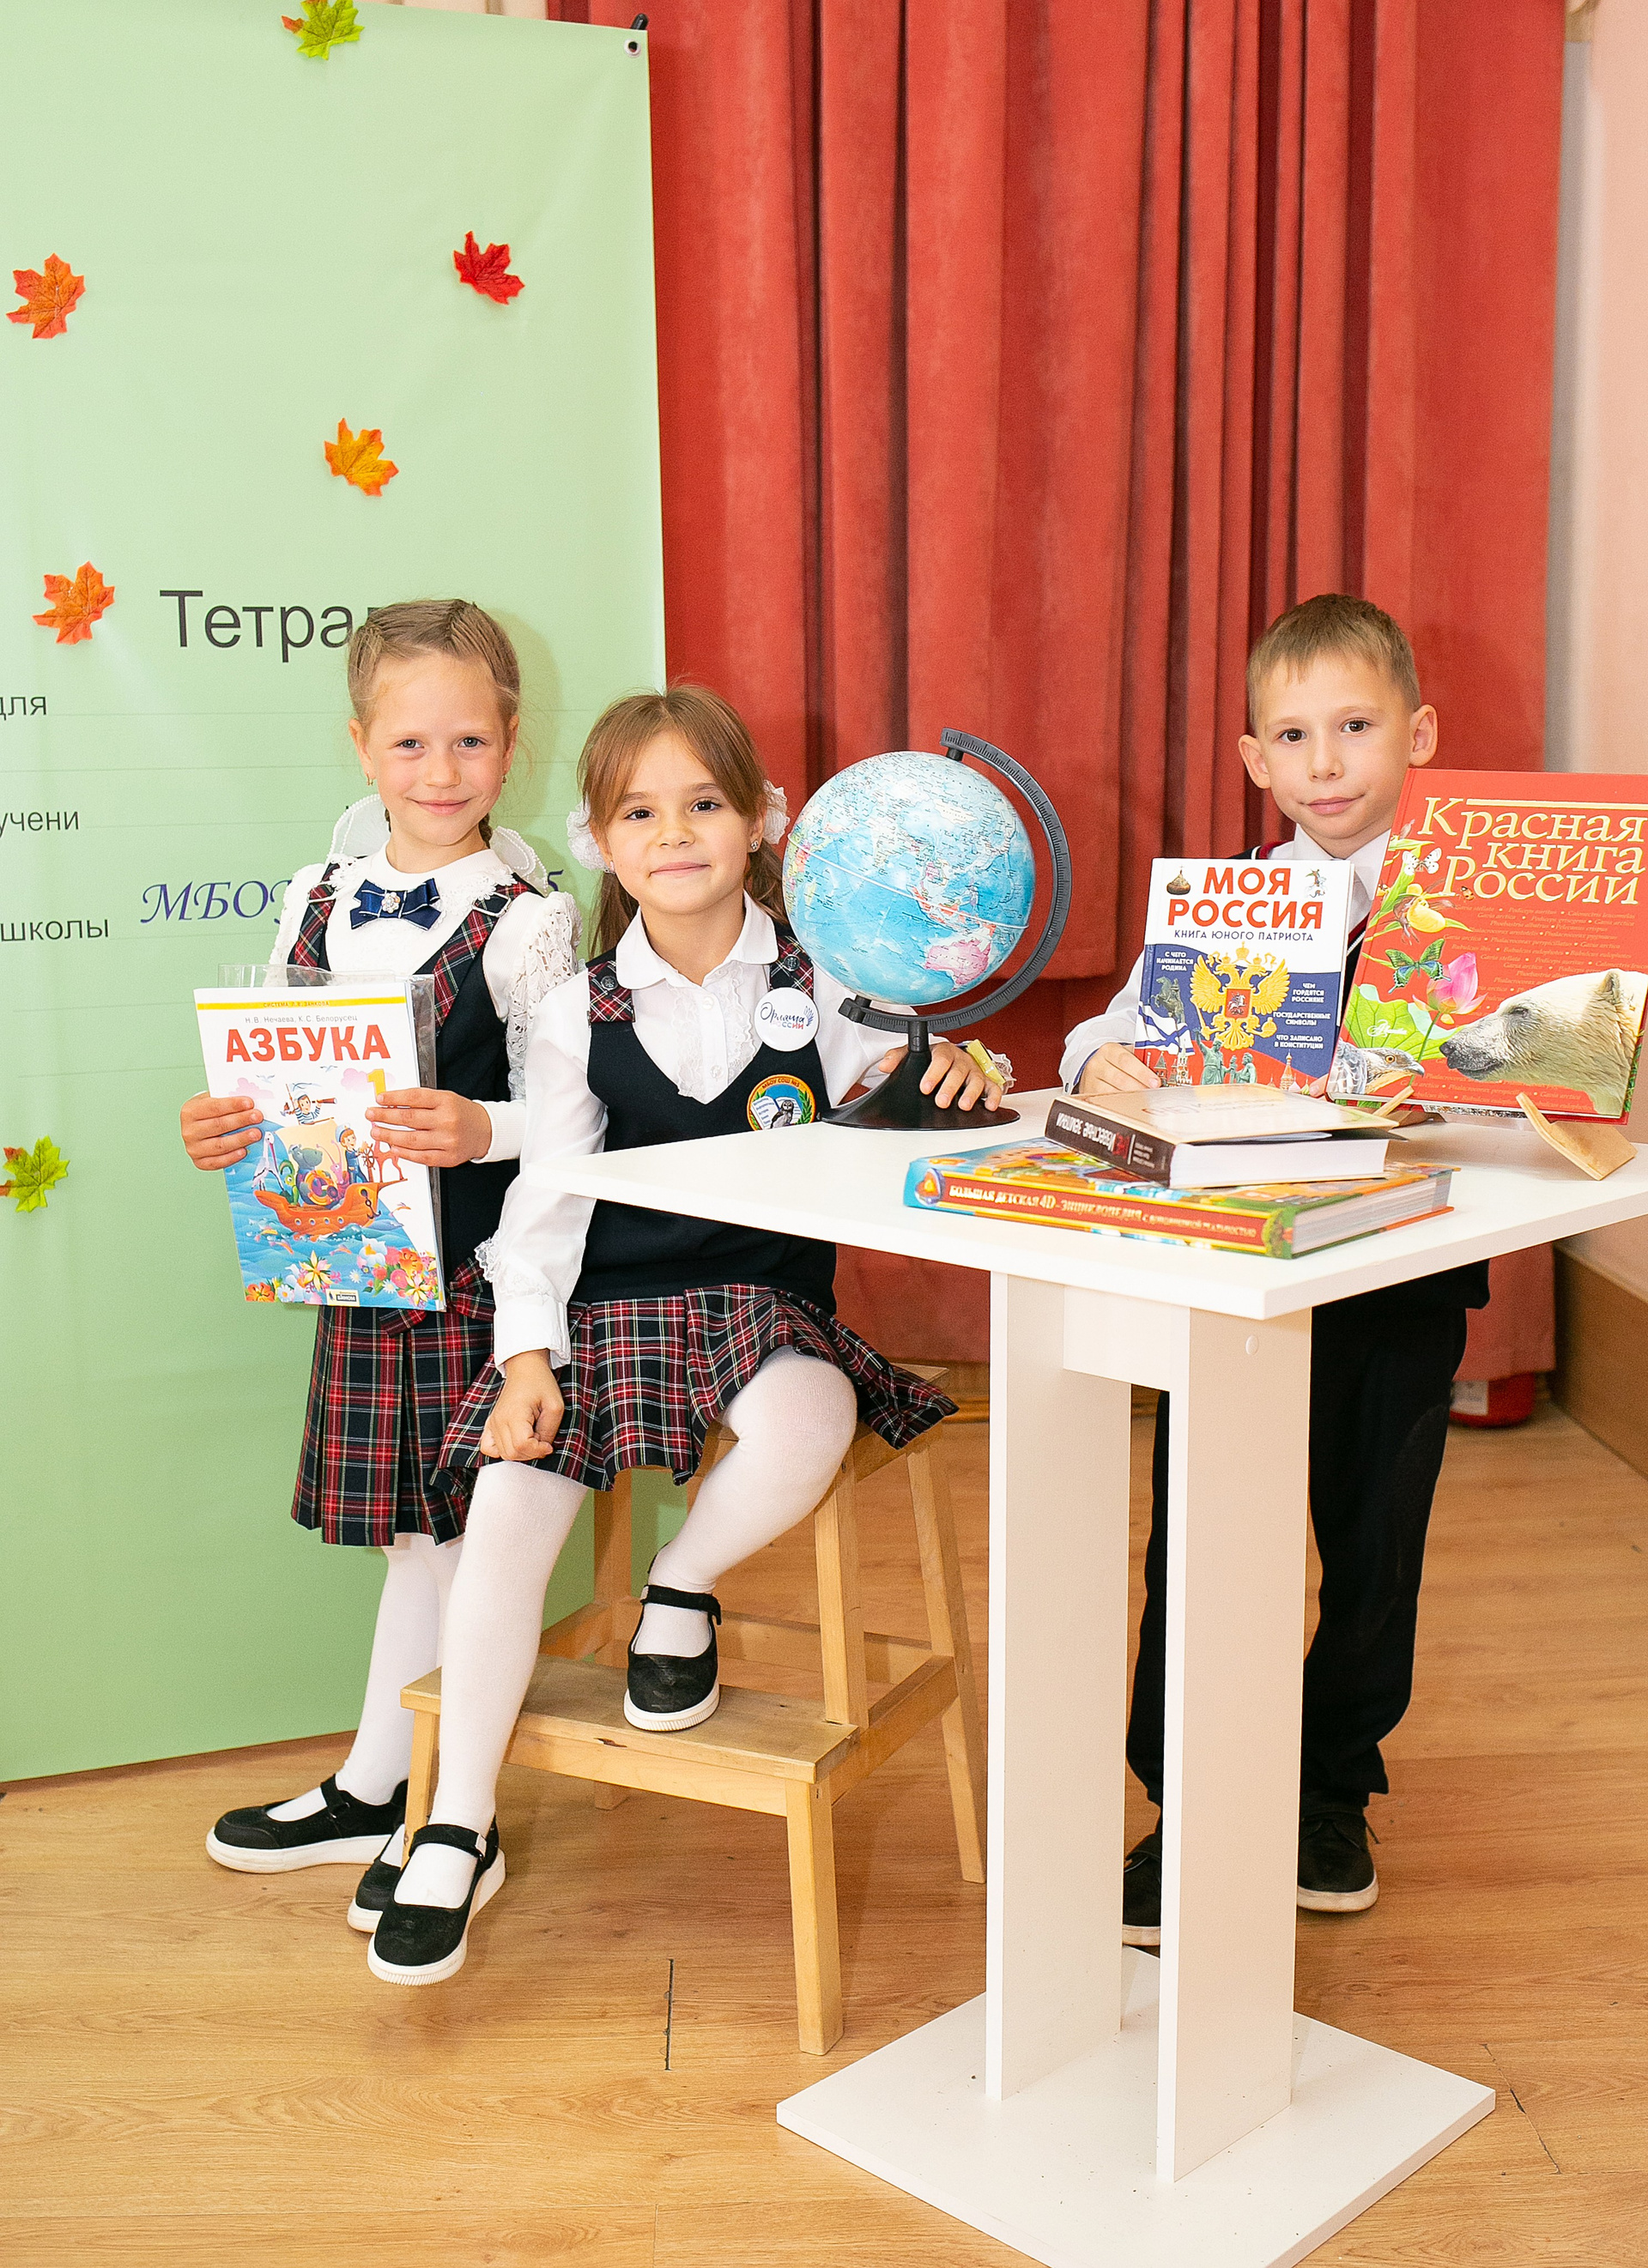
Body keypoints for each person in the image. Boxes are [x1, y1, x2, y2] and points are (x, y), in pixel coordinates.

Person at [364, 684, 1004, 1986]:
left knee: (810, 1418)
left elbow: (910, 1105)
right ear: (600, 841)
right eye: (639, 813)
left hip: (769, 1308)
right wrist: (526, 1356)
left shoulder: (836, 980)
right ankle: (456, 1825)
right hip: (603, 1312)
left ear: (761, 820)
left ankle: (681, 1582)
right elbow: (546, 1200)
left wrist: (963, 1072)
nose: (674, 835)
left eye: (703, 804)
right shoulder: (576, 1011)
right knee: (506, 1509)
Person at [1061, 593, 1489, 1942]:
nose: (1327, 763)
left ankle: (1331, 1787)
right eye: (1294, 737)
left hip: (1402, 1277)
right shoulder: (1224, 904)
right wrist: (1102, 1061)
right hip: (1233, 1272)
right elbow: (1104, 1039)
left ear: (1419, 734)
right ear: (1254, 760)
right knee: (1199, 1540)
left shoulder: (1472, 903)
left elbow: (1546, 1074)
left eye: (1357, 727)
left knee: (1375, 1545)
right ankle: (1185, 1801)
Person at [179, 600, 581, 1927]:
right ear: (362, 746)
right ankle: (372, 1782)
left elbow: (578, 1116)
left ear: (511, 743)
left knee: (467, 1538)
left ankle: (460, 1814)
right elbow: (280, 1079)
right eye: (410, 743)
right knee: (416, 1536)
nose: (441, 770)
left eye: (470, 740)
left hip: (480, 1272)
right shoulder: (316, 895)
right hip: (359, 1264)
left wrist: (482, 1128)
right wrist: (228, 1127)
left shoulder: (527, 922)